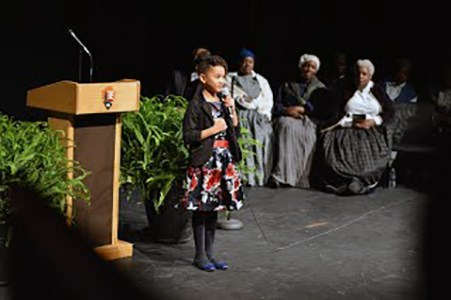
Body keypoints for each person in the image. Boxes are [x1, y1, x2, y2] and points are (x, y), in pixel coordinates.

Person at [180, 54, 244, 272]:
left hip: (222, 161)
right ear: (203, 77)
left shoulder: (223, 102)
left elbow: (235, 130)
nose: (221, 81)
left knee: (214, 208)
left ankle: (210, 253)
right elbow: (188, 135)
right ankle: (199, 255)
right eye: (217, 77)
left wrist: (232, 110)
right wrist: (212, 130)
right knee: (201, 208)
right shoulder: (196, 105)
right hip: (205, 162)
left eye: (223, 77)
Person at [314, 59, 395, 195]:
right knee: (336, 159)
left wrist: (373, 121)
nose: (360, 77)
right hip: (346, 128)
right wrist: (348, 122)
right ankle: (345, 182)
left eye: (364, 74)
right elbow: (334, 113)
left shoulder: (376, 90)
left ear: (370, 76)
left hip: (370, 131)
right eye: (358, 73)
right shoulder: (345, 89)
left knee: (368, 161)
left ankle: (360, 182)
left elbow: (390, 111)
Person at [269, 53, 330, 188]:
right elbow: (277, 105)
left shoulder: (320, 89)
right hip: (288, 118)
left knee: (308, 134)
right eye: (306, 66)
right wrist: (287, 110)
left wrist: (303, 110)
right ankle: (282, 175)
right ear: (301, 67)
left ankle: (302, 178)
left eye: (312, 67)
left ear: (316, 70)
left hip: (309, 119)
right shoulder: (288, 85)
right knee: (286, 127)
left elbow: (322, 111)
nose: (308, 69)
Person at [226, 48, 274, 186]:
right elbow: (229, 96)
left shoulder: (261, 80)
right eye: (244, 61)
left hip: (258, 117)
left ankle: (258, 177)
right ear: (239, 63)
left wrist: (255, 107)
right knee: (243, 144)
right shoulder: (230, 79)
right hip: (239, 116)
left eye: (250, 62)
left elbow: (268, 100)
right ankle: (244, 177)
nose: (247, 64)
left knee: (260, 143)